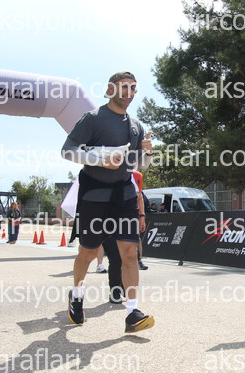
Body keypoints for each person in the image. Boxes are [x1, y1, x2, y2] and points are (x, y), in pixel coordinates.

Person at [61, 71, 154, 333]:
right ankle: (76, 294)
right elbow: (67, 150)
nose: (129, 93)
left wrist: (148, 153)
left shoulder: (135, 126)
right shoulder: (93, 118)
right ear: (111, 89)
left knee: (130, 253)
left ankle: (132, 312)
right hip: (94, 193)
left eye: (133, 88)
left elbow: (140, 165)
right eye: (124, 87)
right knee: (89, 251)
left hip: (124, 194)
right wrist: (100, 160)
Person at [132, 170, 149, 271]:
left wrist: (142, 216)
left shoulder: (137, 175)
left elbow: (140, 197)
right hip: (115, 214)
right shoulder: (113, 171)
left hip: (134, 213)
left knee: (137, 238)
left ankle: (139, 261)